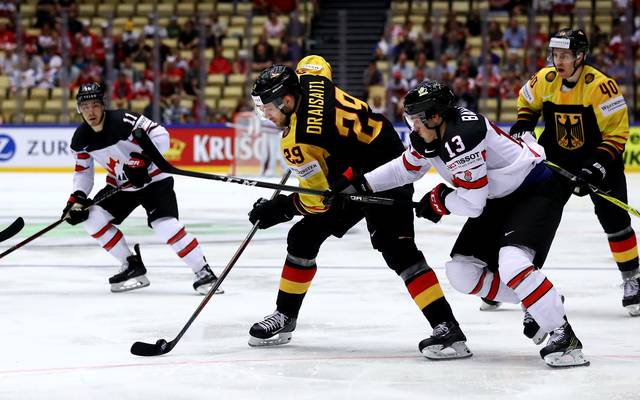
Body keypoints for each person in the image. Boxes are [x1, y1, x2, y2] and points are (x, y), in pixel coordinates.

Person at [246, 56, 472, 360]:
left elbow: (316, 199)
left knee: (398, 251)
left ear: (287, 100)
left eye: (269, 109)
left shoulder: (299, 142)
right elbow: (316, 63)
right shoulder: (310, 80)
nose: (267, 116)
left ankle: (448, 328)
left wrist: (281, 209)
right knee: (303, 238)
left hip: (384, 170)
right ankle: (285, 315)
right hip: (362, 161)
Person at [352, 80, 589, 368]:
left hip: (533, 191)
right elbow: (406, 168)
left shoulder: (462, 136)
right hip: (497, 198)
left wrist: (441, 200)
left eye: (416, 120)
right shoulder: (430, 135)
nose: (413, 127)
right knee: (461, 272)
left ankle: (565, 337)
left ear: (436, 116)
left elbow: (473, 204)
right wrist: (362, 184)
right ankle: (537, 300)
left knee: (512, 262)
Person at [511, 29, 639, 317]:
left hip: (600, 161)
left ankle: (633, 279)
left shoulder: (600, 86)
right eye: (556, 54)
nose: (559, 60)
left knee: (615, 220)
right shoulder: (545, 79)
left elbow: (617, 134)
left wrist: (595, 167)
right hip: (557, 161)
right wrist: (524, 123)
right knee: (535, 219)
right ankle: (516, 281)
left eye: (565, 55)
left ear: (581, 56)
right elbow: (526, 103)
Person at [62, 82, 222, 295]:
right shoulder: (80, 139)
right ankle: (131, 264)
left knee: (165, 226)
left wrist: (143, 160)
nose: (90, 111)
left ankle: (203, 272)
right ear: (79, 109)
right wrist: (77, 199)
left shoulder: (123, 120)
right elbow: (83, 171)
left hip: (154, 181)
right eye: (85, 107)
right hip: (121, 187)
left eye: (95, 105)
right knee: (92, 219)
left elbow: (161, 135)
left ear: (103, 105)